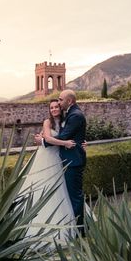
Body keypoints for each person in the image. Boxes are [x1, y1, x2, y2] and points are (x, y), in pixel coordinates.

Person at [21, 99, 76, 240]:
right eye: (51, 108)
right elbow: (49, 140)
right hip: (46, 156)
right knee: (42, 185)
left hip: (58, 157)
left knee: (60, 187)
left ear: (60, 107)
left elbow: (73, 134)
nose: (54, 109)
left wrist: (81, 143)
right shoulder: (47, 122)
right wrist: (65, 143)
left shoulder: (66, 122)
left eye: (56, 107)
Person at [35, 89, 87, 230]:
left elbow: (65, 136)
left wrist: (44, 142)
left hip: (72, 161)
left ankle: (80, 230)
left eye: (60, 100)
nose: (58, 103)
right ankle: (75, 226)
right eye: (52, 106)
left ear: (69, 101)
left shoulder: (74, 115)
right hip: (60, 160)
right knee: (66, 194)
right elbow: (70, 135)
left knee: (74, 196)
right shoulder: (67, 115)